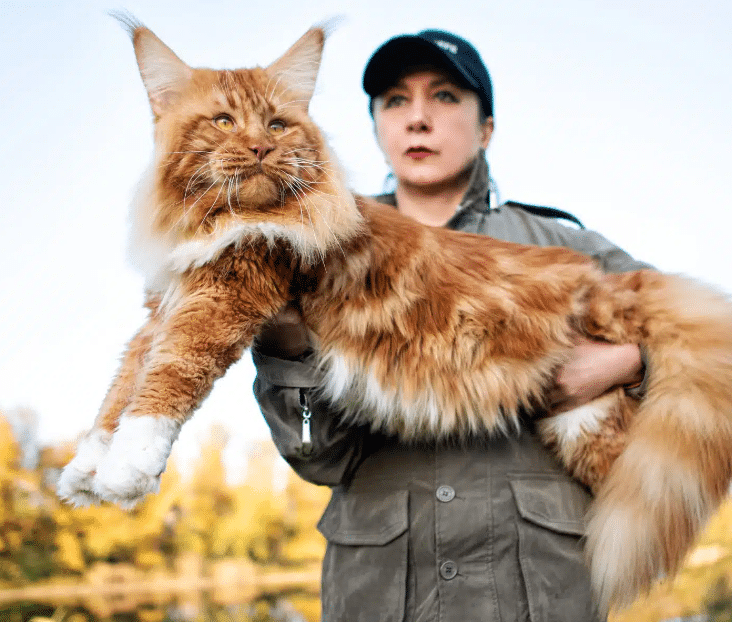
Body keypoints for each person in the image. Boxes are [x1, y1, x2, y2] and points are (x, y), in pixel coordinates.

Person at [252, 29, 651, 622]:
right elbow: (319, 459)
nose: (417, 119)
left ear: (486, 126)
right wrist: (289, 344)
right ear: (377, 129)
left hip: (541, 592)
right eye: (394, 101)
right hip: (383, 595)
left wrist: (624, 362)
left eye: (443, 97)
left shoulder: (567, 247)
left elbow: (705, 345)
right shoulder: (317, 250)